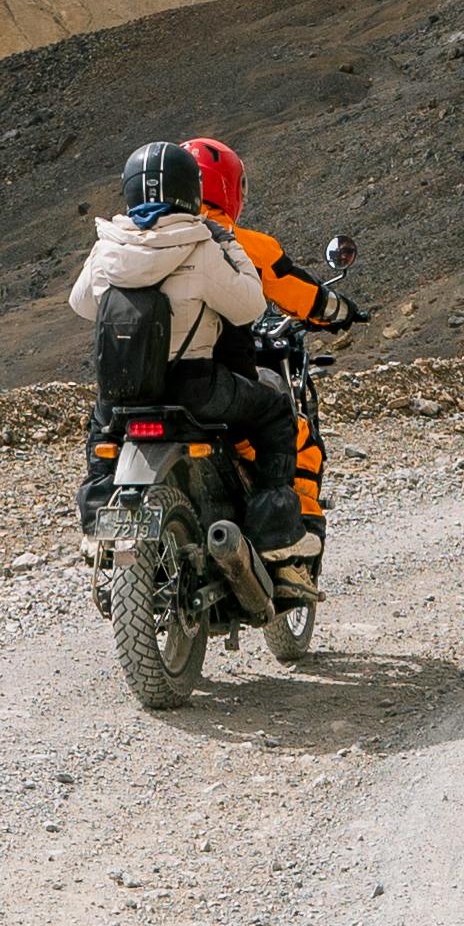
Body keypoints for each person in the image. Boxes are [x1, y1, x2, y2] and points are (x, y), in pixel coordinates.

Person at [66, 140, 314, 586]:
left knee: (101, 442)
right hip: (196, 388)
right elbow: (248, 308)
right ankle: (274, 533)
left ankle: (96, 523)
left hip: (124, 392)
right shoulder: (201, 246)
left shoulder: (108, 247)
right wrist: (228, 247)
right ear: (191, 190)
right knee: (275, 413)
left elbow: (81, 303)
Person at [181, 135, 342, 594]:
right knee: (294, 432)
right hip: (218, 385)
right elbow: (300, 293)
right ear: (229, 188)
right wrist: (338, 310)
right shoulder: (239, 244)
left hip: (150, 382)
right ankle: (291, 542)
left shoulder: (143, 242)